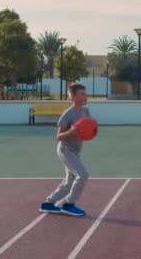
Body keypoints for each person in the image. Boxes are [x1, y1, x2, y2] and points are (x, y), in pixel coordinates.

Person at [39, 83, 91, 216]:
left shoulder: (86, 111)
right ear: (73, 97)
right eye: (82, 94)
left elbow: (88, 128)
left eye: (85, 94)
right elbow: (59, 136)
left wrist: (90, 131)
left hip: (75, 150)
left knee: (70, 181)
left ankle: (48, 204)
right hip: (65, 149)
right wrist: (71, 132)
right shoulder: (67, 115)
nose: (85, 97)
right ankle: (69, 204)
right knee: (83, 175)